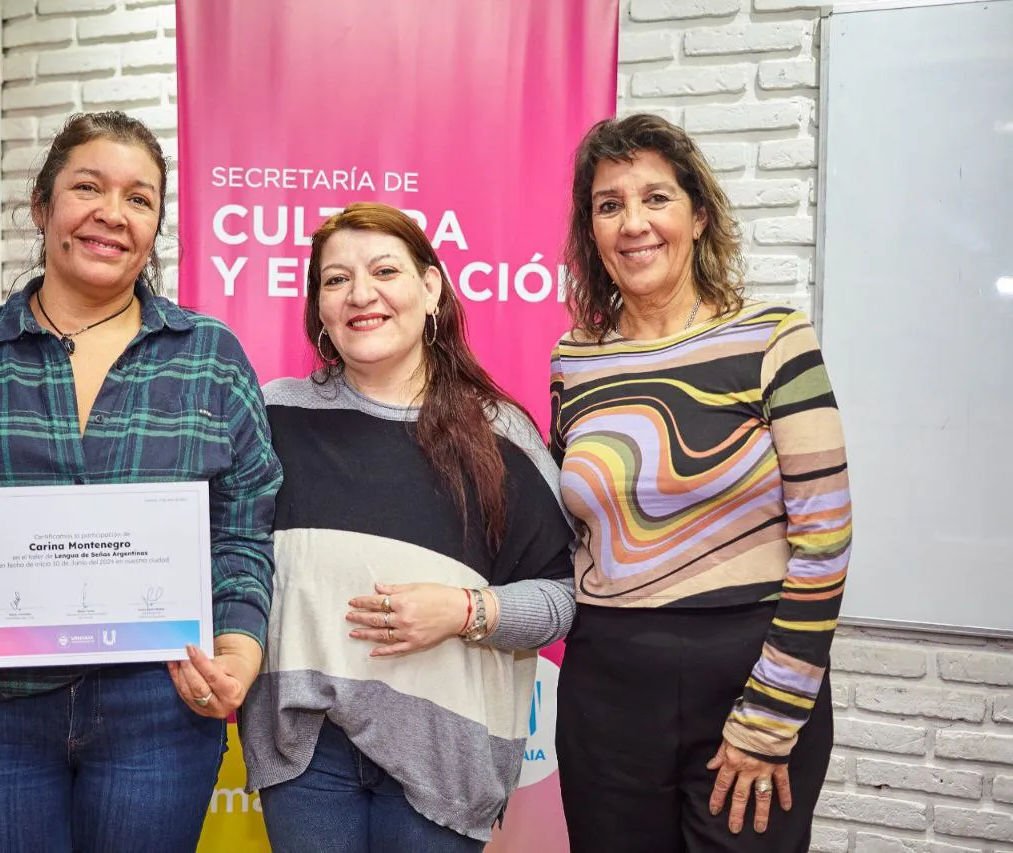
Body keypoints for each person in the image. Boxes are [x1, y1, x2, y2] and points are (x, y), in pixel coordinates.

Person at [0, 111, 282, 852]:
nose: (112, 214)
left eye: (140, 198)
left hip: (161, 706)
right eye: (88, 186)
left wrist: (239, 645)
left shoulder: (210, 358)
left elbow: (243, 531)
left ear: (156, 227)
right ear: (43, 206)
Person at [550, 112, 852, 853]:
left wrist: (771, 715)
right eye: (609, 204)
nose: (633, 223)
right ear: (591, 229)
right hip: (606, 688)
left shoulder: (775, 338)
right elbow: (583, 528)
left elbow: (825, 544)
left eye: (657, 197)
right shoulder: (574, 359)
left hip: (748, 675)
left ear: (699, 214)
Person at [238, 202, 576, 851]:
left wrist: (464, 609)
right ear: (319, 309)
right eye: (335, 280)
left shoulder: (500, 434)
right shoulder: (271, 416)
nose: (360, 294)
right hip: (306, 756)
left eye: (384, 270)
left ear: (430, 287)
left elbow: (565, 597)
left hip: (446, 764)